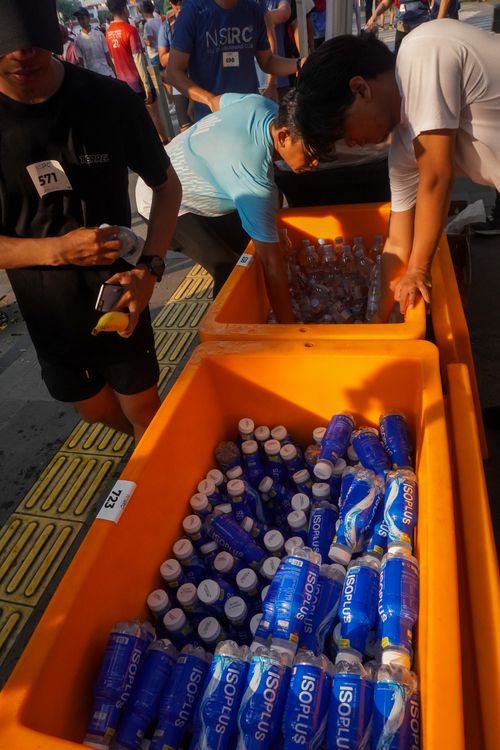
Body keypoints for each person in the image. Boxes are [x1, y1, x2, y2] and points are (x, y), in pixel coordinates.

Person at [0, 0, 182, 442]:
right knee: (93, 411)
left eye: (34, 41)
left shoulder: (108, 99)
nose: (23, 53)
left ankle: (160, 469)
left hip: (121, 296)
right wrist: (59, 249)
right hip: (48, 314)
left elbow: (167, 187)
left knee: (144, 408)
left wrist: (151, 269)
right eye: (8, 43)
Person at [295, 23, 500, 317]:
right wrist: (380, 322)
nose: (351, 143)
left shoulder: (422, 52)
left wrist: (418, 269)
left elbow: (436, 176)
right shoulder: (405, 148)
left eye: (342, 131)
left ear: (360, 89)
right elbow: (398, 243)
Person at [135, 90, 329, 316]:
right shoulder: (253, 180)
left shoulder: (263, 106)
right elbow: (270, 262)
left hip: (181, 173)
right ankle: (221, 333)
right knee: (229, 269)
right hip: (161, 199)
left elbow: (216, 101)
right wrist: (289, 326)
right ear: (284, 137)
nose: (316, 163)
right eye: (311, 153)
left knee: (252, 253)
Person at [166, 0, 305, 122]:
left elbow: (267, 61)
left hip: (249, 115)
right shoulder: (193, 11)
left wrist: (300, 64)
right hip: (211, 119)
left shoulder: (254, 9)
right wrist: (210, 100)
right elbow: (173, 72)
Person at [105, 0, 167, 143]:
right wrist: (146, 86)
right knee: (154, 116)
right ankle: (164, 144)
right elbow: (138, 60)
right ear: (123, 9)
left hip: (124, 84)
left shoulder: (108, 33)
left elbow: (113, 59)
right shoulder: (130, 30)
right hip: (138, 82)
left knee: (137, 120)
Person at [158, 0, 193, 131]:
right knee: (185, 128)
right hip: (180, 85)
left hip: (201, 82)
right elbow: (163, 59)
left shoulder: (199, 17)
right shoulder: (167, 26)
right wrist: (182, 48)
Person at [74, 6, 115, 76]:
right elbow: (81, 63)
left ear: (88, 18)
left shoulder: (99, 35)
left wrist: (115, 74)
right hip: (92, 76)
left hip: (106, 73)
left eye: (82, 18)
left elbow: (108, 58)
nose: (81, 21)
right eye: (79, 19)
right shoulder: (78, 40)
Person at [140, 0, 162, 67]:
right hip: (162, 51)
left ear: (143, 12)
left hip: (155, 55)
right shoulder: (159, 21)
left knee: (159, 73)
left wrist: (144, 41)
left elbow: (149, 42)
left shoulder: (147, 25)